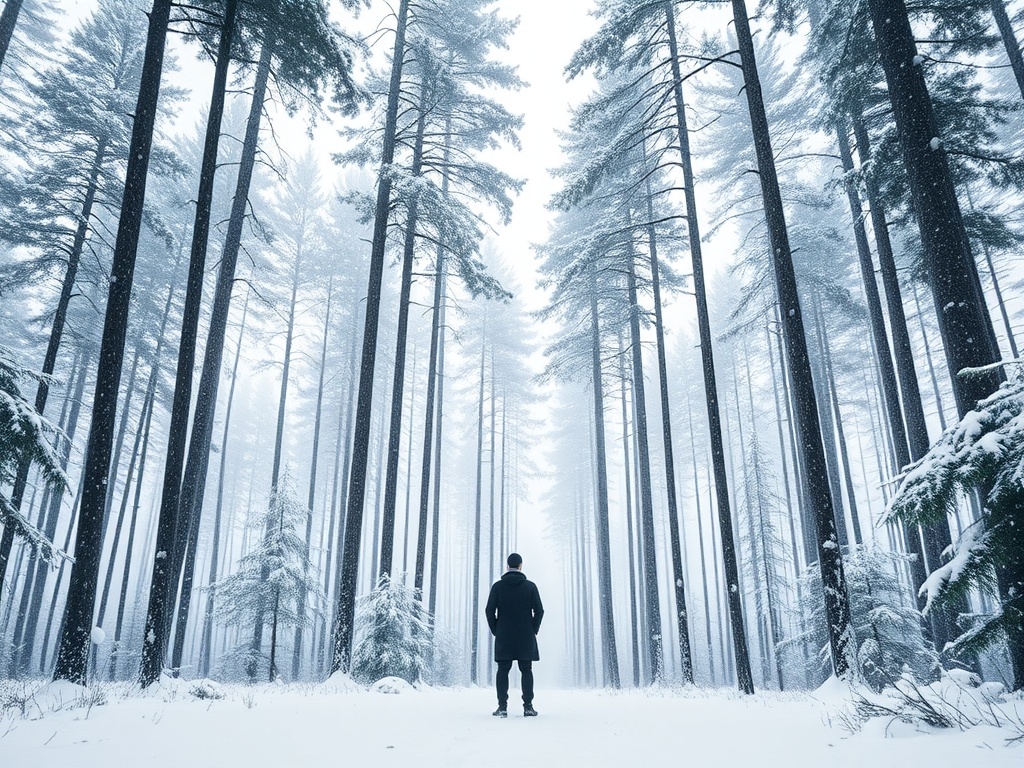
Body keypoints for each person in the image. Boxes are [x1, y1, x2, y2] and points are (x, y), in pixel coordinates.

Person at [485, 552, 544, 717]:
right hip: (526, 635)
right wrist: (533, 629)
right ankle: (528, 707)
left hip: (504, 635)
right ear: (521, 566)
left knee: (503, 669)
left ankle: (502, 707)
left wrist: (496, 630)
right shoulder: (530, 586)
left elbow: (489, 611)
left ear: (507, 566)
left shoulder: (498, 587)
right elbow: (539, 610)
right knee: (526, 669)